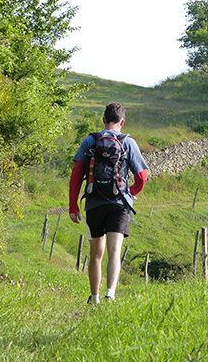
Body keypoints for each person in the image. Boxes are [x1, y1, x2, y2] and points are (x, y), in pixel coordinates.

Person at [69, 102, 148, 304]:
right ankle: (110, 295)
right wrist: (131, 193)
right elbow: (142, 177)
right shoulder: (129, 143)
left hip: (94, 202)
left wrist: (73, 206)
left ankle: (94, 297)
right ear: (122, 122)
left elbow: (77, 174)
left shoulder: (90, 140)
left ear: (103, 120)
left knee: (96, 253)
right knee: (114, 252)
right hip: (119, 203)